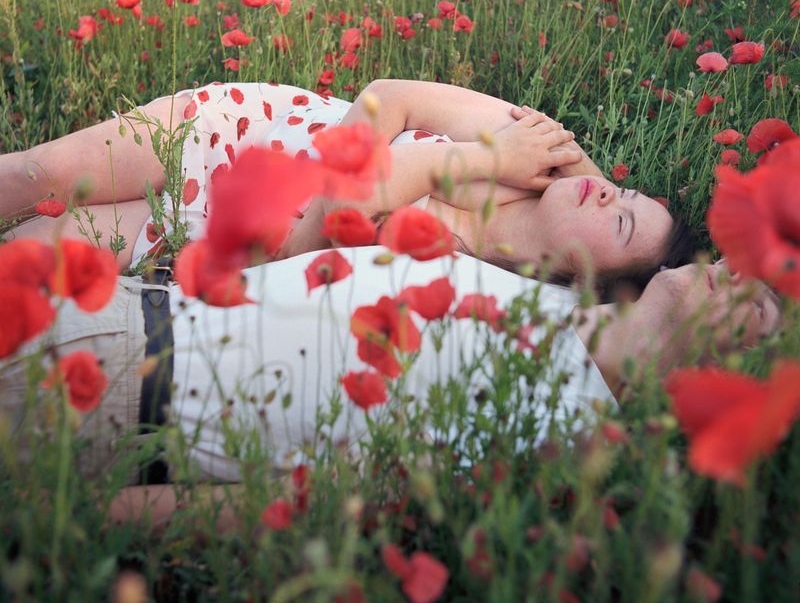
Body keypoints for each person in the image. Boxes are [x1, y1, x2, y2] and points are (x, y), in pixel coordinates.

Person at [0, 245, 781, 532]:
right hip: (111, 302)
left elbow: (306, 499)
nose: (741, 270)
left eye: (767, 305)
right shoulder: (556, 303)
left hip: (103, 395)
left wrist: (85, 523)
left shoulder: (556, 442)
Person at [1, 79, 694, 291]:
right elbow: (384, 95)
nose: (610, 193)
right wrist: (511, 154)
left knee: (23, 264)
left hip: (207, 229)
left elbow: (330, 225)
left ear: (587, 280)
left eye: (623, 221)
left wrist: (479, 161)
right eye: (623, 191)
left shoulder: (477, 287)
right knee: (44, 174)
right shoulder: (527, 144)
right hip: (239, 134)